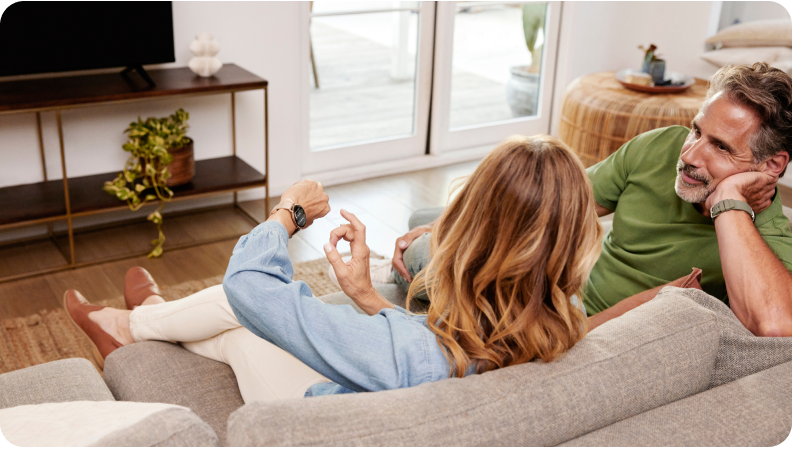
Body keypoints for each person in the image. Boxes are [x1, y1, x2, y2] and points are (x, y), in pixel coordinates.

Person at [65, 135, 603, 403]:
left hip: (323, 419)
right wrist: (368, 297)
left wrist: (290, 212)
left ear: (472, 225)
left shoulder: (412, 354)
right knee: (242, 316)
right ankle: (147, 319)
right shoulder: (564, 317)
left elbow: (249, 288)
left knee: (239, 322)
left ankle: (132, 326)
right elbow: (440, 344)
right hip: (390, 391)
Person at [386, 63, 792, 337]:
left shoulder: (770, 238)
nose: (689, 155)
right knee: (428, 217)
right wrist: (450, 223)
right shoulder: (662, 146)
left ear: (772, 165)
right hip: (562, 275)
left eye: (720, 147)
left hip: (572, 321)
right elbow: (556, 200)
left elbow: (774, 325)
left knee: (421, 251)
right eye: (696, 131)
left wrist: (729, 201)